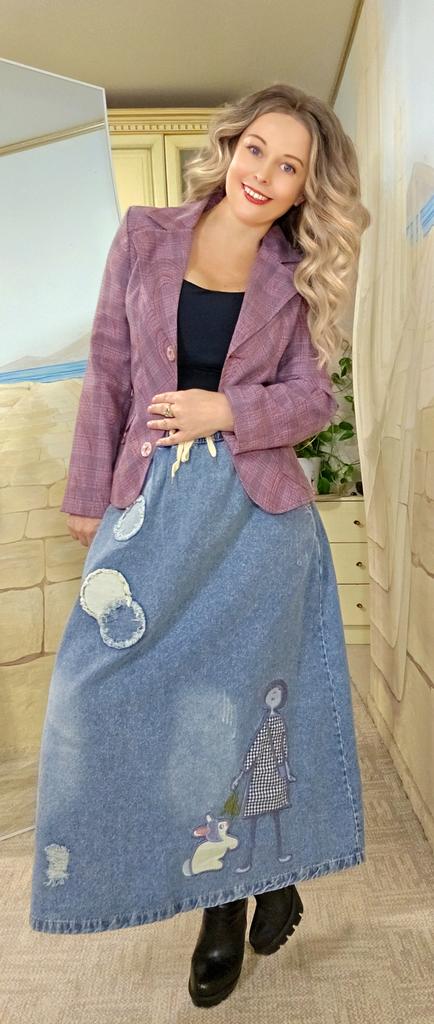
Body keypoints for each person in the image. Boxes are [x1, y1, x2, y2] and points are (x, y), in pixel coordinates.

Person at [29, 82, 371, 1009]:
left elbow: (315, 399)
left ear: (304, 188)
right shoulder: (145, 234)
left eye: (289, 166)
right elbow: (108, 369)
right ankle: (264, 875)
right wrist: (88, 497)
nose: (265, 174)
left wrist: (229, 410)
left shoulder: (297, 270)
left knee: (226, 718)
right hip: (150, 507)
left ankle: (227, 907)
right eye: (257, 149)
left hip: (256, 524)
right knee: (93, 695)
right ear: (231, 146)